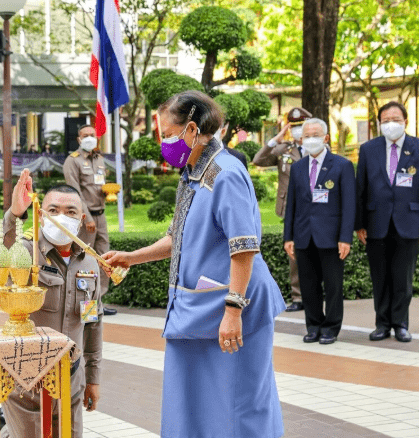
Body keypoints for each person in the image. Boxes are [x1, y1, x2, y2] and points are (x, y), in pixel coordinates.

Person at [104, 91, 285, 438]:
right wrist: (132, 257)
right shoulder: (193, 173)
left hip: (234, 305)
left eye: (166, 133)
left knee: (239, 402)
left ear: (190, 129)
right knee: (194, 397)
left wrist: (233, 312)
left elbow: (244, 249)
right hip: (200, 305)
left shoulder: (225, 174)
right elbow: (177, 238)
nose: (163, 142)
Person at [0, 169, 103, 438]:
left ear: (82, 218)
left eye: (70, 212)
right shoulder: (26, 251)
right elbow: (0, 250)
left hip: (72, 377)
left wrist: (93, 378)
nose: (61, 217)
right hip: (26, 379)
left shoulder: (90, 263)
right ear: (41, 215)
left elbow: (92, 323)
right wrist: (14, 212)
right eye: (53, 210)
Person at [355, 101, 419, 343]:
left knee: (403, 277)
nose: (390, 124)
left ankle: (400, 324)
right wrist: (359, 224)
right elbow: (361, 189)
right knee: (380, 277)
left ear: (405, 122)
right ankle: (382, 323)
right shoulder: (368, 149)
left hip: (409, 221)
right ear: (379, 123)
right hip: (376, 222)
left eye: (395, 120)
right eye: (385, 120)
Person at [283, 118, 356, 345]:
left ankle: (331, 328)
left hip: (331, 237)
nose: (311, 140)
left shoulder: (342, 165)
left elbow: (349, 205)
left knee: (333, 285)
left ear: (326, 138)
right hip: (304, 236)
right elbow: (291, 206)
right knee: (308, 284)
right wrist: (289, 237)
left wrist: (345, 237)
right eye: (306, 136)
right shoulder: (297, 168)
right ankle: (313, 325)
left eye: (315, 135)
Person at [253, 107, 313, 312]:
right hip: (291, 207)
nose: (297, 131)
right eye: (293, 127)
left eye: (300, 126)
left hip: (316, 207)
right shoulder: (284, 149)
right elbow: (258, 160)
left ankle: (315, 294)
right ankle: (298, 297)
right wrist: (275, 139)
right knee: (294, 253)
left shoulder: (319, 146)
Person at [63, 124, 116, 315]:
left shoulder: (99, 159)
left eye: (92, 135)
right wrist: (86, 218)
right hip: (86, 218)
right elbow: (74, 192)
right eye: (85, 135)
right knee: (84, 260)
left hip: (101, 216)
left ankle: (99, 302)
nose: (89, 138)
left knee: (103, 258)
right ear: (79, 139)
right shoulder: (73, 161)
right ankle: (85, 305)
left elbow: (97, 185)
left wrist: (109, 192)